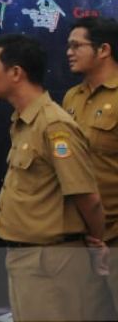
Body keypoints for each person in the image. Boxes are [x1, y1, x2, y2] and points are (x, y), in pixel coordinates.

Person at [0, 33, 110, 320]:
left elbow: (88, 198)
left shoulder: (54, 125)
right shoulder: (24, 121)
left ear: (16, 72)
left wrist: (95, 242)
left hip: (51, 261)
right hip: (28, 258)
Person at [63, 16, 118, 314]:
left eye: (76, 46)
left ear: (104, 50)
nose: (68, 52)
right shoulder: (71, 97)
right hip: (81, 237)